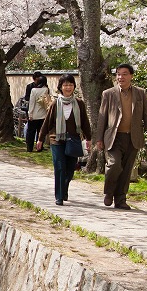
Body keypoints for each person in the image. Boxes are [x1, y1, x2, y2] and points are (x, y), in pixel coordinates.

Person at [96, 63, 147, 210]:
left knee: (126, 170)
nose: (120, 77)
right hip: (113, 137)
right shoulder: (108, 93)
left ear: (131, 76)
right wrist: (99, 138)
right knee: (114, 165)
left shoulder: (140, 93)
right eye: (118, 74)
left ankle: (120, 200)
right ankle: (109, 192)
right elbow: (102, 117)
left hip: (132, 137)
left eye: (124, 74)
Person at [37, 74, 92, 205]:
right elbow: (47, 122)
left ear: (74, 86)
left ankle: (64, 188)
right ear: (61, 87)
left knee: (70, 169)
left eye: (70, 84)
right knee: (59, 167)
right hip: (56, 139)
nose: (68, 87)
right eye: (65, 85)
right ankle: (59, 196)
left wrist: (89, 139)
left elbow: (85, 122)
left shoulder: (79, 103)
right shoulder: (56, 103)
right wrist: (40, 139)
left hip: (73, 140)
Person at [26, 75, 50, 152]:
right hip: (43, 115)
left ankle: (29, 148)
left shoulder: (34, 90)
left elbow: (32, 103)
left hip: (34, 115)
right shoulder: (47, 90)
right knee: (41, 132)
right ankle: (39, 147)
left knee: (31, 132)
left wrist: (30, 114)